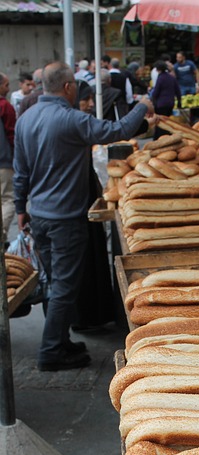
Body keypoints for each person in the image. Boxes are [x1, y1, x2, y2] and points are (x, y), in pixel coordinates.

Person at [13, 61, 154, 371]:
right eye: (75, 86)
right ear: (67, 87)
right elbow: (117, 130)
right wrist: (142, 105)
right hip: (65, 218)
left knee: (54, 282)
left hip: (39, 215)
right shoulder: (71, 119)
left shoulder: (26, 119)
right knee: (64, 286)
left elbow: (20, 171)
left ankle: (61, 342)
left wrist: (21, 208)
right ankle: (51, 351)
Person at [71, 80, 114, 332]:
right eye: (85, 99)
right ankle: (83, 319)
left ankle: (91, 317)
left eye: (90, 99)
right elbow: (114, 130)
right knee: (82, 265)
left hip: (82, 199)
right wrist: (142, 111)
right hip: (75, 205)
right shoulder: (74, 121)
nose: (89, 104)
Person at [0, 72, 16, 244]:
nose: (8, 88)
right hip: (4, 162)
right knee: (8, 199)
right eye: (5, 85)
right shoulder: (5, 106)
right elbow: (12, 135)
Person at [151, 60, 181, 139]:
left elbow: (156, 92)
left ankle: (160, 137)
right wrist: (179, 101)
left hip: (161, 104)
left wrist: (152, 101)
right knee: (167, 121)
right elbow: (178, 90)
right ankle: (167, 135)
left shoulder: (160, 78)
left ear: (158, 69)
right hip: (170, 103)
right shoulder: (171, 77)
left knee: (160, 122)